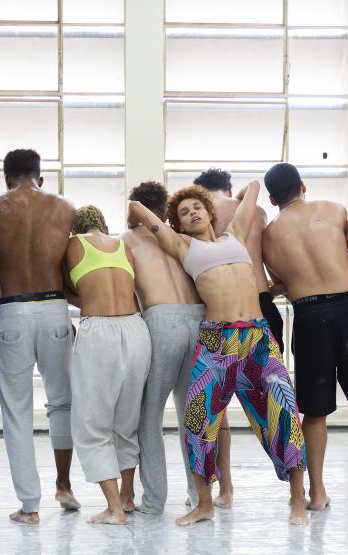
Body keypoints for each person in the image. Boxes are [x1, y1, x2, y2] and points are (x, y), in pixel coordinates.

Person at [128, 182, 308, 527]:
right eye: (184, 212)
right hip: (215, 342)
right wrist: (153, 212)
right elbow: (137, 208)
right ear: (177, 224)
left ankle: (297, 501)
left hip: (256, 337)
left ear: (210, 212)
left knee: (284, 415)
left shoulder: (236, 234)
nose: (193, 213)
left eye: (197, 207)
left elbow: (254, 188)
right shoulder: (182, 245)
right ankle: (205, 503)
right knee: (198, 422)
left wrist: (233, 194)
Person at [261, 163, 348, 511]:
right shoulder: (335, 210)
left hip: (309, 313)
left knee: (313, 412)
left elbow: (279, 279)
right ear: (303, 186)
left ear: (272, 198)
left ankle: (317, 493)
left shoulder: (269, 235)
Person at [0, 149, 80, 524]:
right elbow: (72, 265)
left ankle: (30, 505)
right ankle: (64, 485)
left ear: (7, 178)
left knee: (17, 413)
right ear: (41, 177)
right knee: (63, 403)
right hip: (55, 308)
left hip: (13, 310)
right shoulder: (65, 207)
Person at [193, 167, 282, 508]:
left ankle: (226, 489)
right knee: (276, 396)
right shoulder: (255, 211)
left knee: (218, 409)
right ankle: (299, 484)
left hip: (224, 315)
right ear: (230, 188)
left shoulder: (204, 216)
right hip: (263, 308)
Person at [120, 181, 204, 514]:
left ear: (133, 210)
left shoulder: (126, 241)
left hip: (161, 319)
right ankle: (198, 496)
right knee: (192, 414)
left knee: (149, 413)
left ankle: (154, 500)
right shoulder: (180, 237)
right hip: (198, 320)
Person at [65, 206, 151, 525]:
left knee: (92, 426)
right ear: (103, 223)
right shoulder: (123, 246)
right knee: (126, 423)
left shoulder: (74, 244)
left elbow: (70, 289)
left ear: (76, 226)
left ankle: (114, 508)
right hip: (136, 329)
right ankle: (127, 497)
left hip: (99, 331)